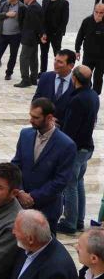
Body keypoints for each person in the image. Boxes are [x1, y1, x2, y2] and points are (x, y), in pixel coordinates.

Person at [12, 98, 76, 232]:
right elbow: (16, 165)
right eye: (30, 116)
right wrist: (21, 192)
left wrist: (33, 197)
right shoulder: (25, 134)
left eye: (36, 117)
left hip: (47, 209)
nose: (31, 120)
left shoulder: (66, 145)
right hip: (20, 205)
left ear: (49, 117)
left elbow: (61, 181)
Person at [57, 65, 100, 235]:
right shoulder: (92, 96)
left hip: (76, 147)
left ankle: (70, 222)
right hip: (86, 146)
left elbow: (71, 129)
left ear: (74, 78)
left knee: (70, 185)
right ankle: (79, 220)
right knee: (78, 182)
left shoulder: (78, 99)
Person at [10, 210, 77, 279]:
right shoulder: (27, 247)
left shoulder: (55, 272)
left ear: (30, 239)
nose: (13, 232)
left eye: (16, 229)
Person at [33, 49, 76, 124]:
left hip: (66, 129)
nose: (55, 64)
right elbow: (36, 100)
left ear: (71, 66)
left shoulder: (77, 82)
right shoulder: (45, 77)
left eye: (60, 62)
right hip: (44, 126)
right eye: (55, 60)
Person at [16, 0, 43, 88]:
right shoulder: (35, 6)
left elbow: (35, 24)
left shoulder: (33, 8)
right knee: (33, 58)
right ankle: (33, 78)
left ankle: (25, 79)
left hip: (30, 37)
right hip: (33, 37)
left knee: (24, 58)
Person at [40, 0, 69, 73]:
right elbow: (42, 18)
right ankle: (43, 72)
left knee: (57, 55)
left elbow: (64, 20)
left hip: (56, 34)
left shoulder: (64, 2)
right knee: (43, 54)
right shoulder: (45, 1)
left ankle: (58, 72)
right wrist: (43, 32)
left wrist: (58, 32)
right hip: (45, 33)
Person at [75, 3, 104, 93]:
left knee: (98, 77)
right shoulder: (87, 21)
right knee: (85, 75)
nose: (98, 15)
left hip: (102, 56)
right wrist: (77, 50)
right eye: (96, 12)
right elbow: (80, 36)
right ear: (93, 11)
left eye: (101, 13)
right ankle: (86, 91)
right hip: (88, 54)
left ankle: (96, 94)